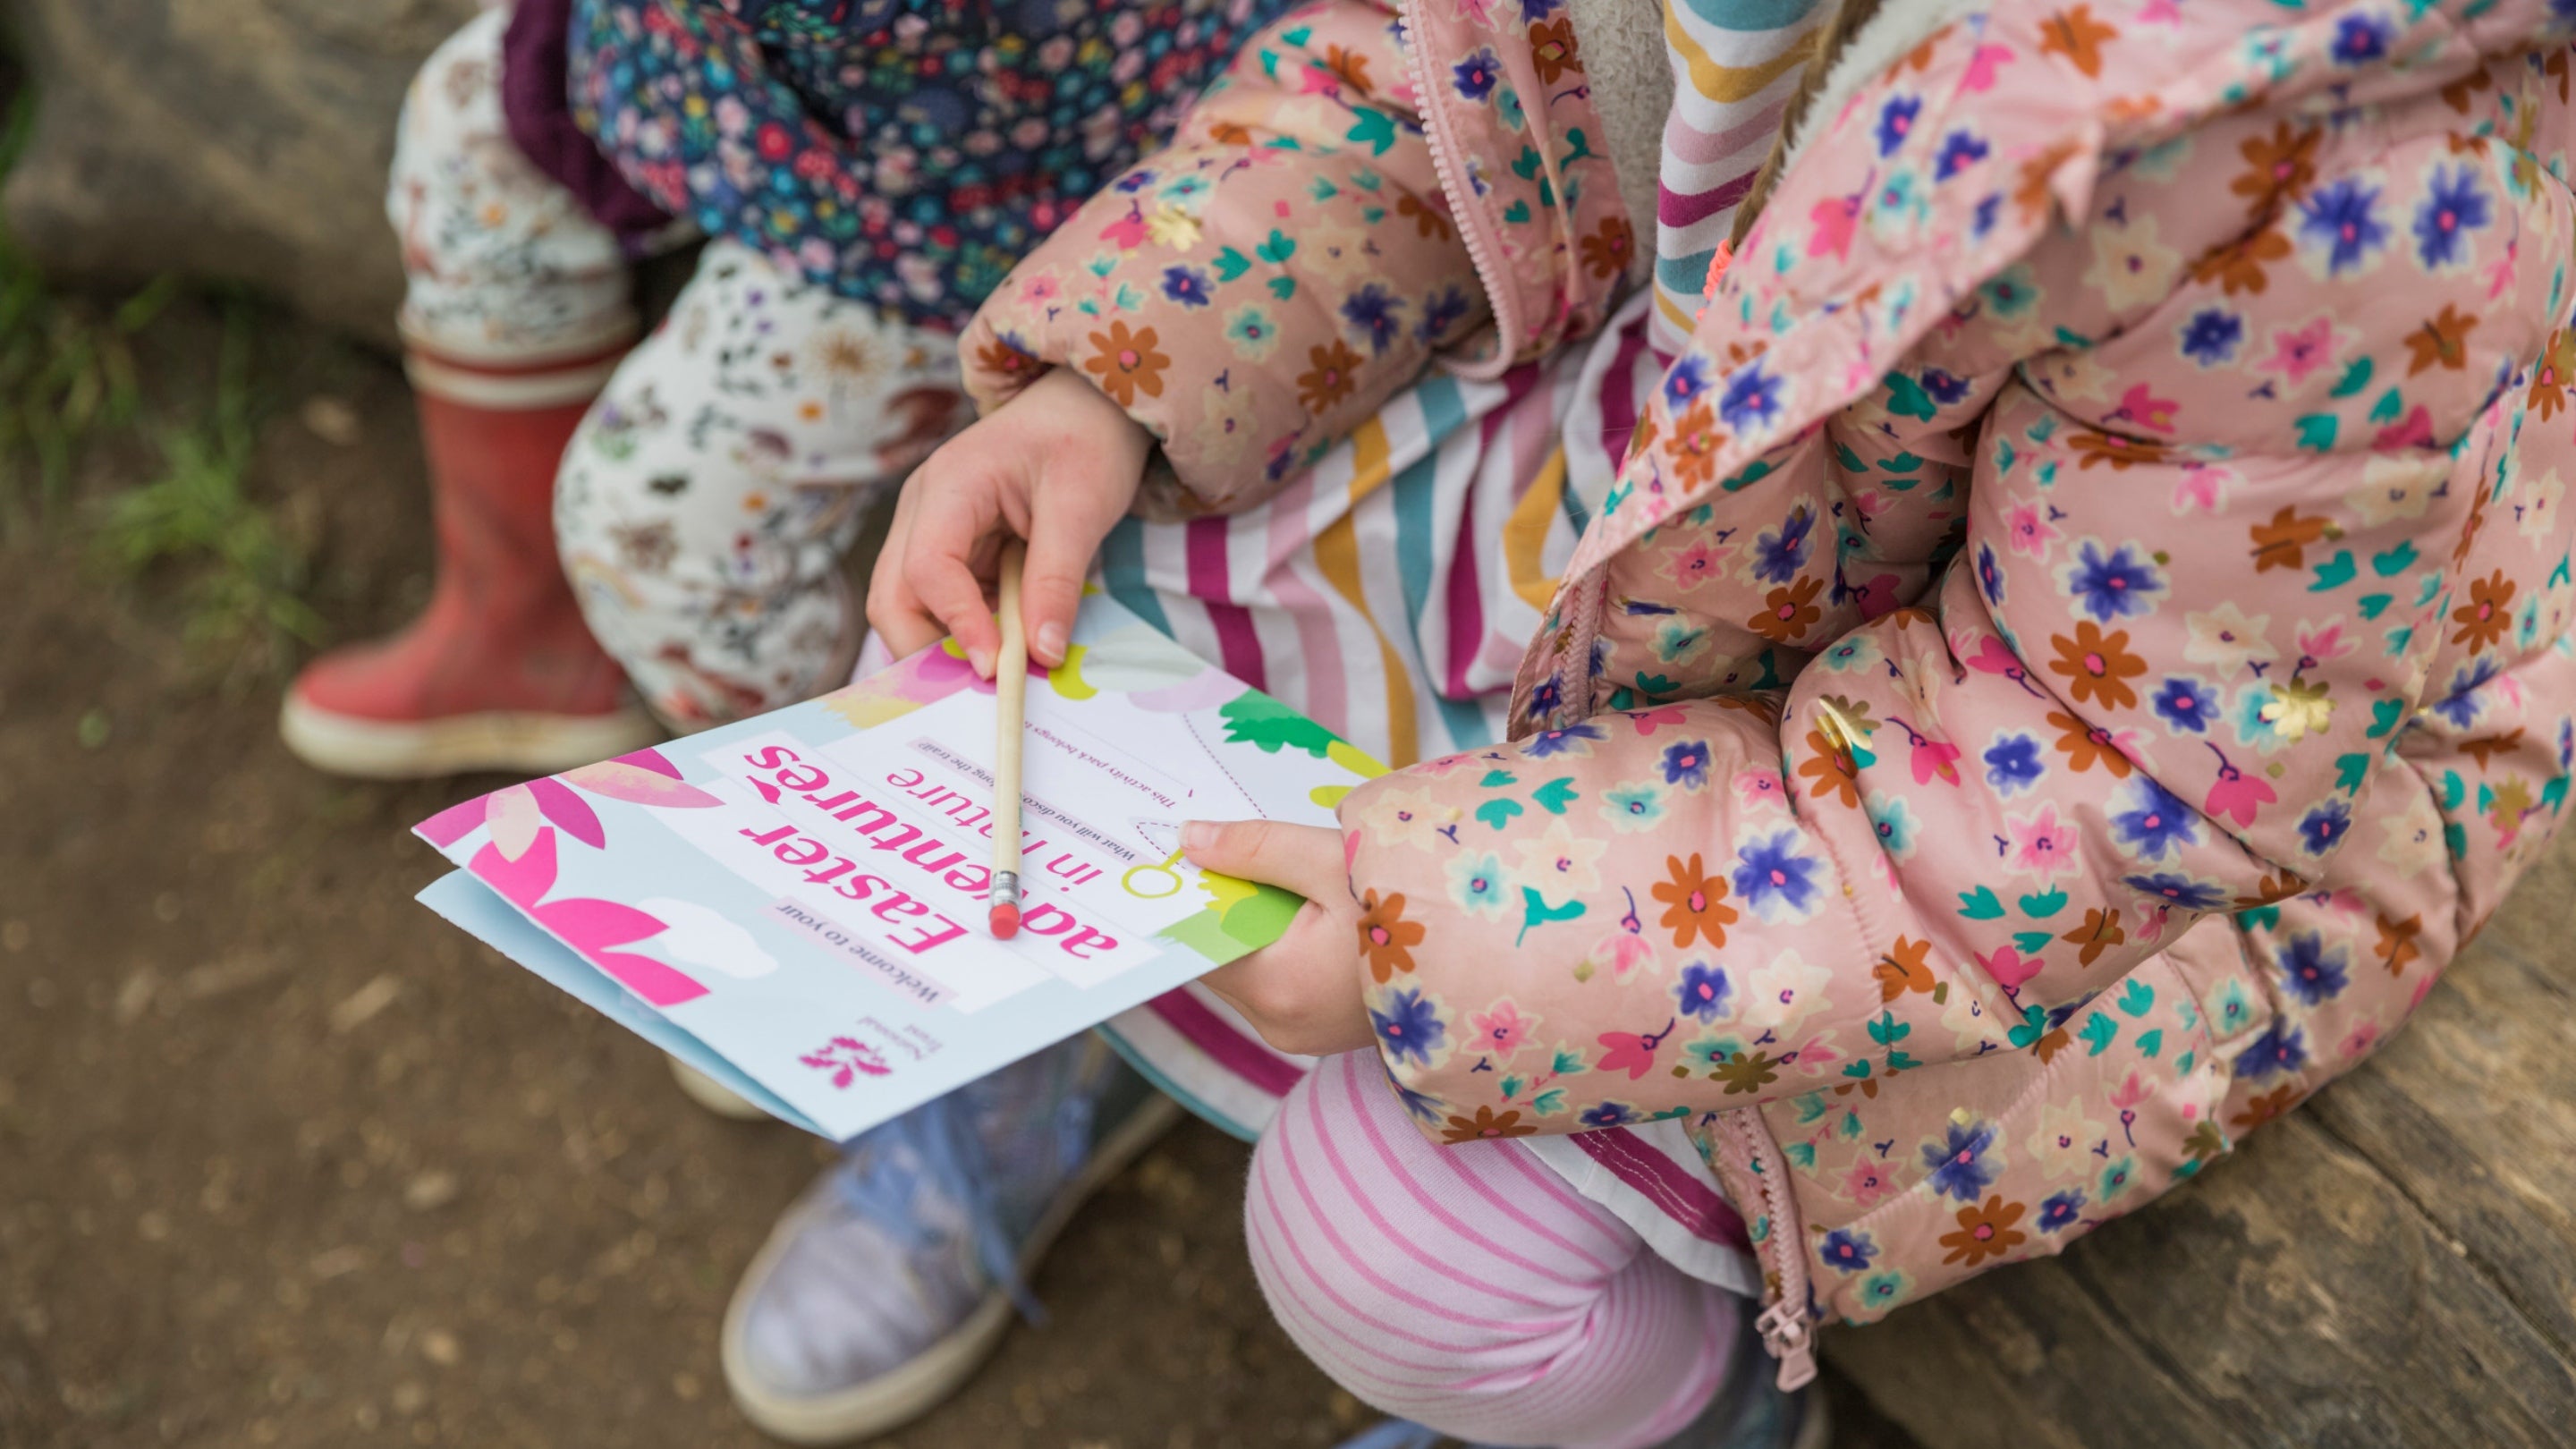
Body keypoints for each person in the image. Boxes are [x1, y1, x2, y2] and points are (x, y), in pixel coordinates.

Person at [876, 0, 2576, 1441]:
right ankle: (1096, 1020)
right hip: (1729, 488)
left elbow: (2093, 787)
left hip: (2136, 811)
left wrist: (1439, 944)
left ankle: (1695, 1409)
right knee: (1034, 630)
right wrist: (1117, 376)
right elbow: (1430, 80)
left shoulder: (2339, 166)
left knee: (1386, 1246)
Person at [278, 0, 1284, 775]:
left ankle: (860, 846)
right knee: (467, 142)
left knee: (662, 532)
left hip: (1000, 177)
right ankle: (534, 641)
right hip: (725, 80)